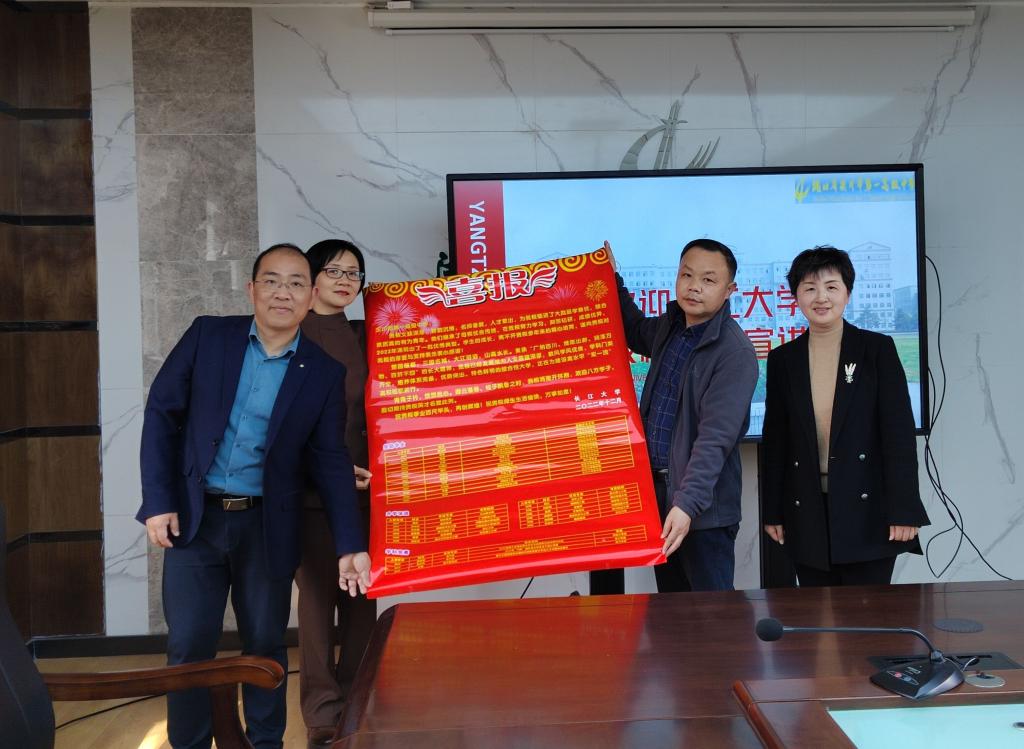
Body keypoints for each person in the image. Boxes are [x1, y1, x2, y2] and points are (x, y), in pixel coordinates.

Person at [137, 243, 372, 749]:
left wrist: (351, 545)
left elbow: (330, 458)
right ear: (251, 289)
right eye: (271, 281)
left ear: (310, 295)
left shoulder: (322, 372)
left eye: (295, 283)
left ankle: (266, 745)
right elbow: (161, 412)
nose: (282, 293)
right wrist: (158, 500)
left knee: (265, 648)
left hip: (267, 526)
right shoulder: (208, 336)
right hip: (195, 520)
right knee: (189, 647)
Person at [761, 246, 929, 586]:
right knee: (816, 611)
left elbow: (897, 436)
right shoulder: (783, 360)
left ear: (847, 293)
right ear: (796, 296)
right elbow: (776, 441)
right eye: (809, 288)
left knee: (868, 613)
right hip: (807, 510)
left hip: (868, 510)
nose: (821, 297)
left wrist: (904, 509)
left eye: (831, 287)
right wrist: (773, 511)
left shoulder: (876, 349)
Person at [606, 238, 758, 593]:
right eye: (687, 275)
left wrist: (686, 505)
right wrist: (611, 278)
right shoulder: (671, 328)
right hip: (662, 501)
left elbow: (714, 441)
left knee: (711, 615)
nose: (694, 286)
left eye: (708, 279)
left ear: (729, 290)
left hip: (702, 514)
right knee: (673, 613)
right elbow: (633, 328)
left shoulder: (734, 352)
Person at [295, 240, 376, 747]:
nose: (346, 281)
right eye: (334, 271)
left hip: (367, 488)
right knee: (318, 599)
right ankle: (323, 712)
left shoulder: (368, 334)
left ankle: (358, 701)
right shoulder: (291, 333)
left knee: (363, 600)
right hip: (309, 492)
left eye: (354, 273)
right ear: (311, 277)